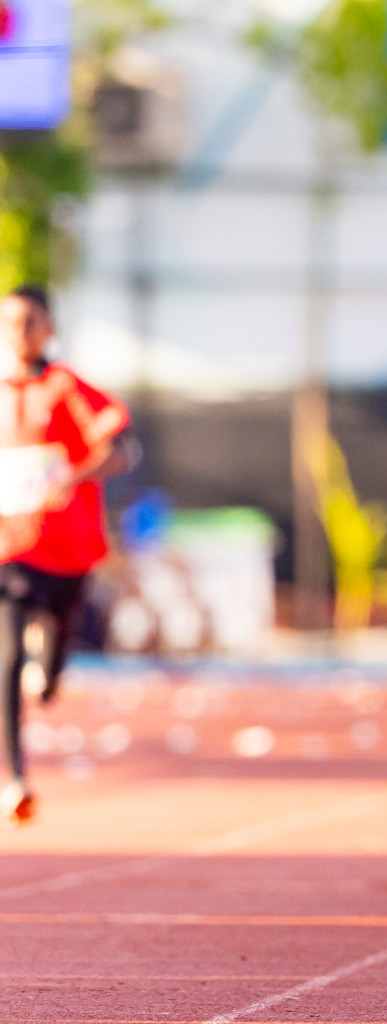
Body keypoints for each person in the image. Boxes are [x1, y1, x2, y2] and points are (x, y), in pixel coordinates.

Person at [1, 284, 131, 825]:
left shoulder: (67, 386)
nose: (18, 331)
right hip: (9, 544)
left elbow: (117, 452)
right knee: (5, 657)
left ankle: (49, 666)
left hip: (68, 548)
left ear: (49, 328)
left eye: (29, 321)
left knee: (48, 669)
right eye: (8, 321)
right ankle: (14, 777)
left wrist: (72, 478)